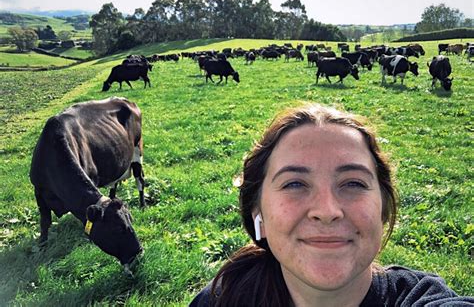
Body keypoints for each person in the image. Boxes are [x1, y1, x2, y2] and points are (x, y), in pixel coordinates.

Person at [190, 103, 473, 307]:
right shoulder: (222, 298)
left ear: (384, 207)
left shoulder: (420, 299)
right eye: (294, 184)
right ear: (257, 211)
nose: (327, 212)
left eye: (353, 184)